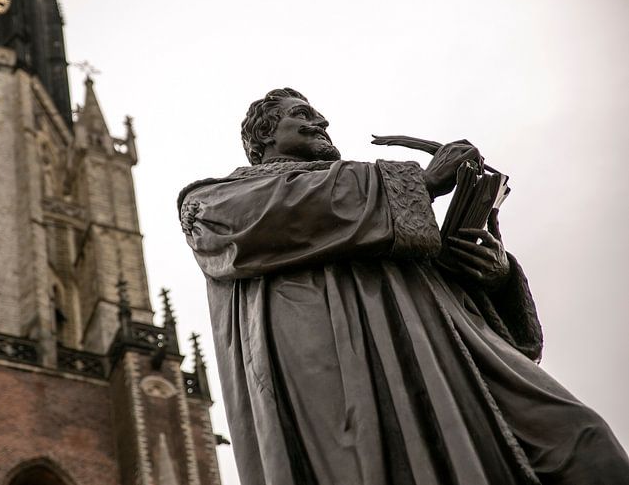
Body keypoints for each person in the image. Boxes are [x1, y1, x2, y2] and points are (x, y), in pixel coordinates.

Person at [178, 88, 629, 485]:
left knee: (582, 439)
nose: (322, 121)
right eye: (302, 113)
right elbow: (253, 221)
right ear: (265, 137)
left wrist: (493, 272)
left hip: (442, 356)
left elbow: (461, 299)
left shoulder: (380, 201)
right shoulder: (215, 201)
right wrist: (423, 182)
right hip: (346, 379)